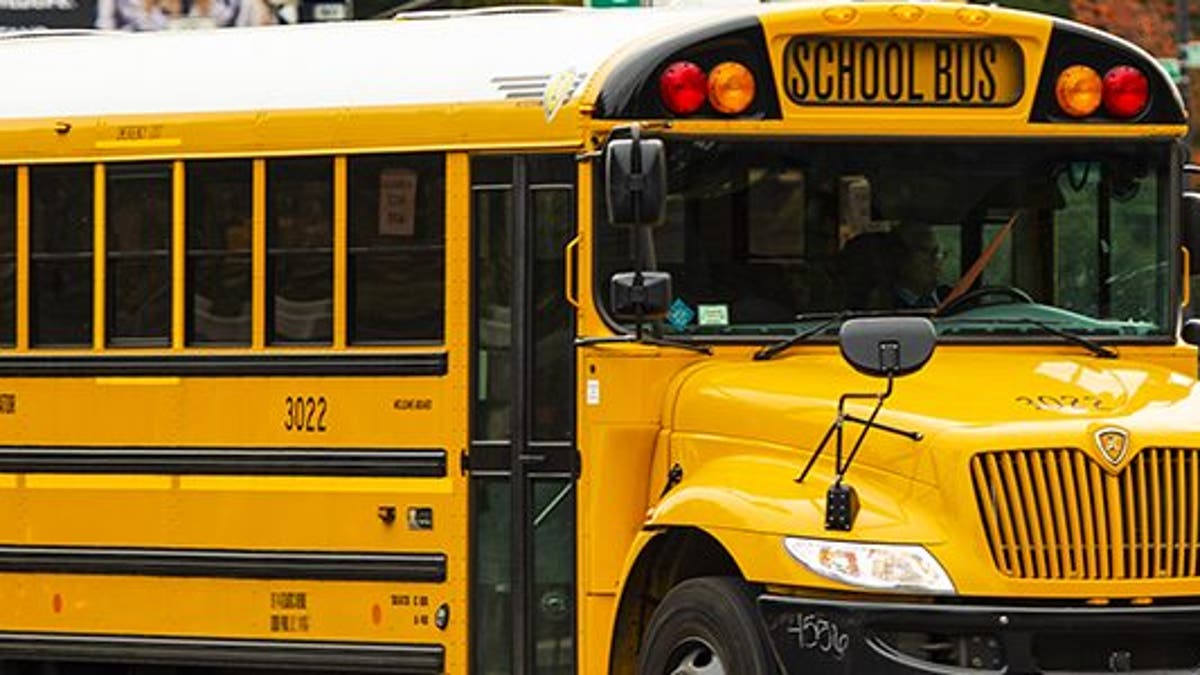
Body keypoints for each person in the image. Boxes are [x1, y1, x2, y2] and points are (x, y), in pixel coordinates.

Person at [891, 222, 946, 309]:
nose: (936, 259)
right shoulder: (885, 306)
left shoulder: (955, 299)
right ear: (900, 258)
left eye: (937, 252)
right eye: (924, 251)